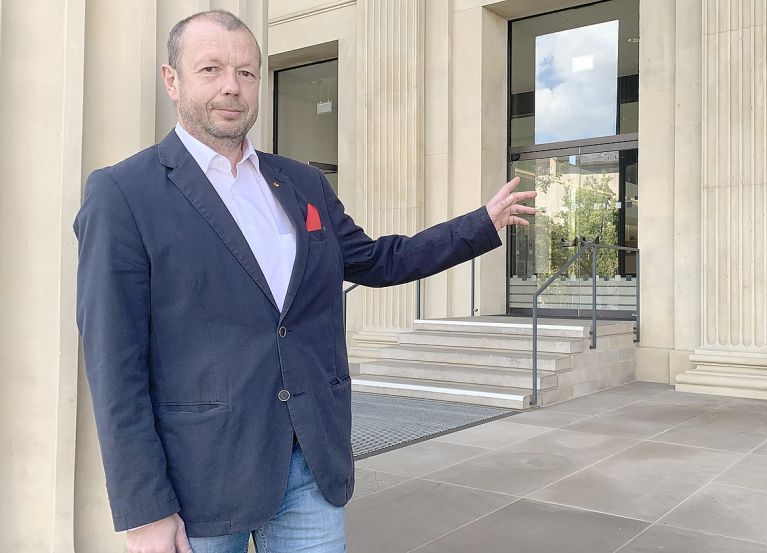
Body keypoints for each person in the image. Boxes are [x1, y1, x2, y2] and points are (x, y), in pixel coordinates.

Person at [74, 9, 536, 553]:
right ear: (171, 80)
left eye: (247, 73)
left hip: (308, 465)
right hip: (197, 480)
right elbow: (113, 364)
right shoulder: (123, 194)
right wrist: (145, 510)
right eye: (211, 69)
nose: (232, 87)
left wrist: (479, 224)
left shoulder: (300, 183)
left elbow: (380, 260)